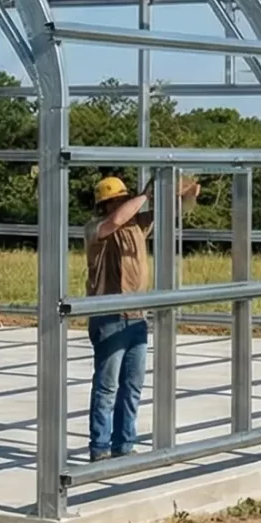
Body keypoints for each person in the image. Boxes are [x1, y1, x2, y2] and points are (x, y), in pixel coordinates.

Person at [83, 172, 198, 460]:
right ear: (105, 205)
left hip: (136, 317)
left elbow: (174, 212)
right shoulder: (95, 228)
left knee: (132, 386)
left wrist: (185, 192)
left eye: (124, 199)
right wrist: (146, 195)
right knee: (107, 387)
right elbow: (116, 221)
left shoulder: (137, 227)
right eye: (117, 200)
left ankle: (124, 445)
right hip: (108, 316)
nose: (122, 204)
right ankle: (99, 448)